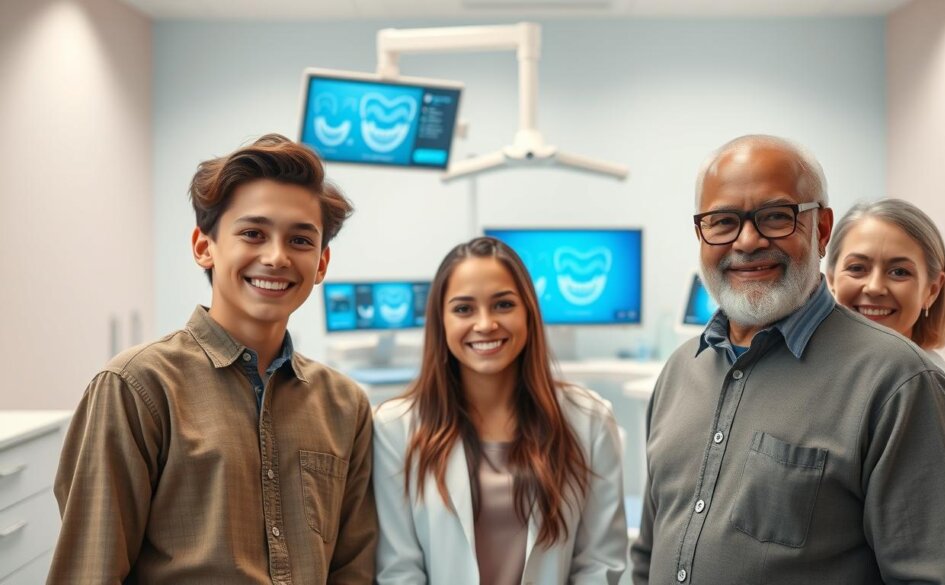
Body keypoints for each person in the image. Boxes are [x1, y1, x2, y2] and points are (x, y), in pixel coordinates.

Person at [630, 134, 945, 584]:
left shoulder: (898, 383)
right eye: (723, 221)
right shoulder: (680, 372)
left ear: (822, 229)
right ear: (701, 234)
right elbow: (650, 553)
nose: (747, 241)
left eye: (775, 217)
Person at [48, 134, 378, 583]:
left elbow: (352, 571)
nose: (277, 257)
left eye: (300, 240)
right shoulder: (137, 387)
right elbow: (89, 571)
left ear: (321, 264)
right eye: (253, 234)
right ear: (205, 247)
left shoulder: (345, 405)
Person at [373, 236, 627, 584]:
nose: (485, 324)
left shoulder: (590, 421)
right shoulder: (394, 428)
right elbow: (399, 570)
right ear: (440, 321)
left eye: (503, 305)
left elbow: (600, 563)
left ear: (528, 313)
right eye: (464, 309)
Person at [826, 198, 945, 432]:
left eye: (899, 272)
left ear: (932, 290)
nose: (874, 287)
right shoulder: (807, 368)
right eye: (857, 268)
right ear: (831, 278)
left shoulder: (935, 389)